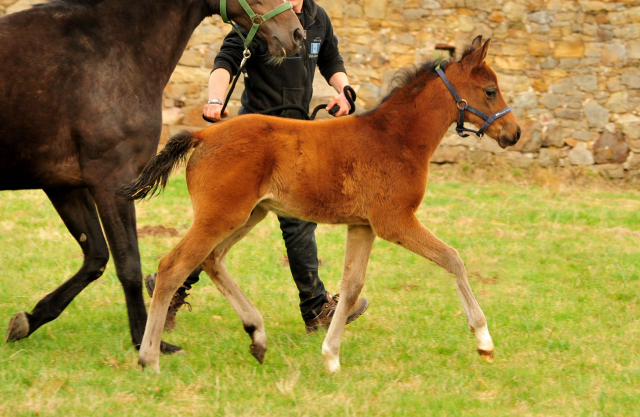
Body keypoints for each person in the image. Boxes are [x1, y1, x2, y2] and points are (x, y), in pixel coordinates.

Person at [145, 0, 368, 333]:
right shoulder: (262, 16)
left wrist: (343, 90)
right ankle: (316, 307)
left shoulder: (316, 17)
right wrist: (215, 100)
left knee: (229, 224)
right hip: (257, 142)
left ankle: (172, 284)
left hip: (297, 137)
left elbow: (330, 59)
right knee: (287, 223)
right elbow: (226, 62)